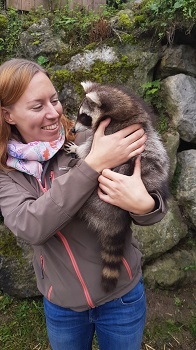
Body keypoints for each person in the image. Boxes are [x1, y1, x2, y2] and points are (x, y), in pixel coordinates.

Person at [0, 58, 167, 350]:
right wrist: (92, 165)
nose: (53, 112)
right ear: (8, 115)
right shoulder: (7, 172)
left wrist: (147, 205)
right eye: (37, 106)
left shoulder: (94, 136)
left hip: (122, 298)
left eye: (54, 99)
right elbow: (31, 225)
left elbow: (151, 197)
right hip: (62, 305)